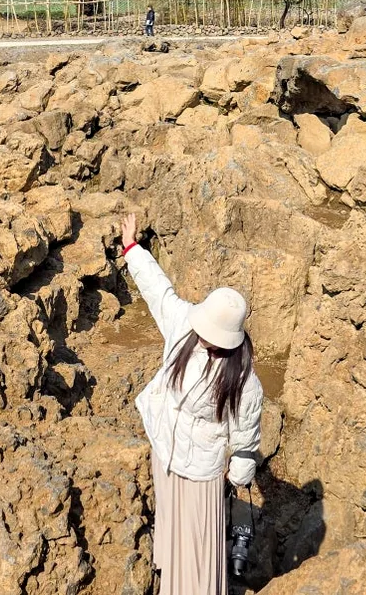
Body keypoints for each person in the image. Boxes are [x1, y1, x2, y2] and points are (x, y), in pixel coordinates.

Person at [119, 213, 263, 594]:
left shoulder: (244, 380)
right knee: (174, 528)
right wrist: (132, 248)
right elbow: (158, 290)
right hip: (165, 454)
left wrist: (239, 475)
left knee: (199, 544)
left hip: (200, 472)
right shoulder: (185, 323)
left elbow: (246, 440)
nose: (203, 339)